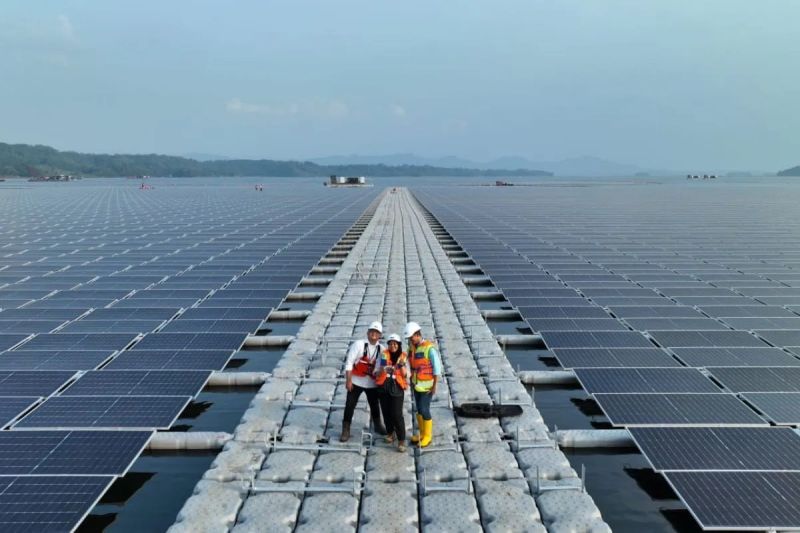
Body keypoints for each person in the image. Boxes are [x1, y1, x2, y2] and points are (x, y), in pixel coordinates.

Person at [340, 321, 386, 442]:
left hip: (372, 383)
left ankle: (378, 425)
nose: (374, 334)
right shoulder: (358, 345)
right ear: (367, 332)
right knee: (350, 405)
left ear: (380, 335)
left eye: (377, 332)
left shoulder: (382, 350)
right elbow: (349, 363)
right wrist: (348, 380)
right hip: (356, 382)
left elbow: (383, 366)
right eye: (372, 331)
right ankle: (346, 429)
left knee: (375, 405)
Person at [404, 321, 442, 448]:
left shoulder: (429, 349)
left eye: (411, 338)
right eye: (409, 339)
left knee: (425, 409)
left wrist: (434, 386)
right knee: (419, 409)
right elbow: (408, 362)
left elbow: (437, 368)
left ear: (417, 334)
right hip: (416, 385)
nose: (410, 340)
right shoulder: (411, 348)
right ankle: (421, 433)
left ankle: (427, 436)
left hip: (427, 386)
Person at [374, 333, 408, 452]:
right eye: (391, 344)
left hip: (397, 388)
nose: (393, 346)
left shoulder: (403, 357)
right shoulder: (383, 355)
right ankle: (390, 433)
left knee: (397, 414)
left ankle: (401, 440)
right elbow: (378, 370)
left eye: (395, 344)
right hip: (384, 387)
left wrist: (400, 366)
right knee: (386, 412)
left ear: (399, 345)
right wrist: (383, 369)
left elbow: (405, 375)